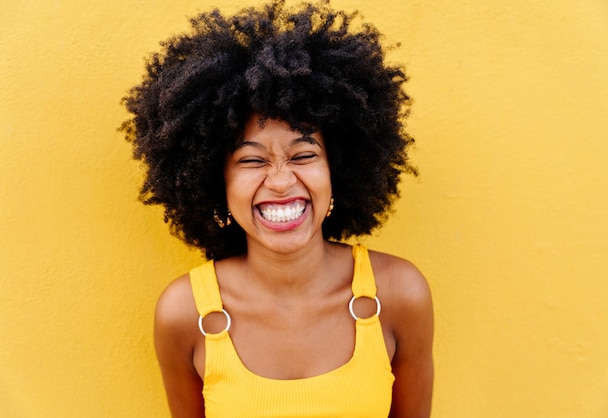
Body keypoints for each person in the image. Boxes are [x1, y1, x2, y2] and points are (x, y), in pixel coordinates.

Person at [120, 1, 433, 416]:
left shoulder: (399, 294)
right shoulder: (184, 312)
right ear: (216, 183)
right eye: (252, 160)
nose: (282, 181)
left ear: (337, 169)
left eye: (303, 155)